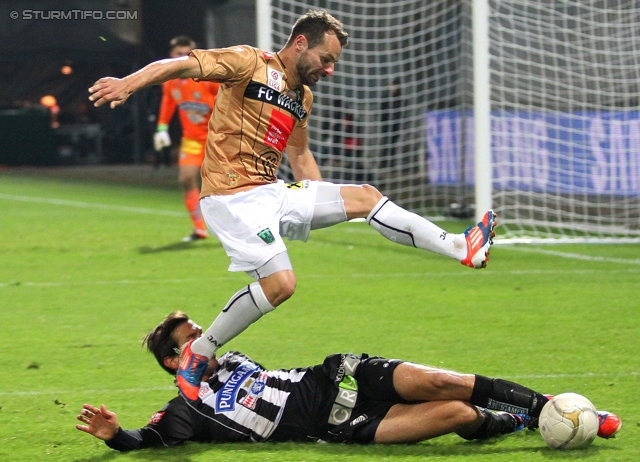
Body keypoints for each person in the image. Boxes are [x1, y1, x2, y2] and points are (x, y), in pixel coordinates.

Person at [88, 9, 498, 402]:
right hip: (230, 198)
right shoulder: (247, 62)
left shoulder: (302, 96)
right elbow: (179, 66)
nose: (330, 69)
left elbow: (299, 157)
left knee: (365, 197)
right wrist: (128, 83)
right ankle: (200, 351)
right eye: (326, 58)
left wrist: (326, 201)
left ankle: (462, 247)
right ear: (300, 43)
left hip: (272, 192)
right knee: (281, 285)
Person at [75, 311, 622, 451]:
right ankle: (521, 421)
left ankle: (545, 403)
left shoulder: (232, 358)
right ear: (175, 362)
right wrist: (115, 435)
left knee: (441, 382)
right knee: (457, 415)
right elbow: (148, 441)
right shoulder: (186, 410)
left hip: (338, 375)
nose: (208, 338)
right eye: (194, 338)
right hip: (338, 425)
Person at [153, 35, 220, 241]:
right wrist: (162, 128)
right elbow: (168, 102)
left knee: (225, 184)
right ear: (171, 55)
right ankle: (200, 229)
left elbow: (225, 101)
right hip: (192, 138)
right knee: (186, 178)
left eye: (187, 54)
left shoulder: (206, 77)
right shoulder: (170, 81)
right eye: (178, 54)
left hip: (216, 138)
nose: (183, 58)